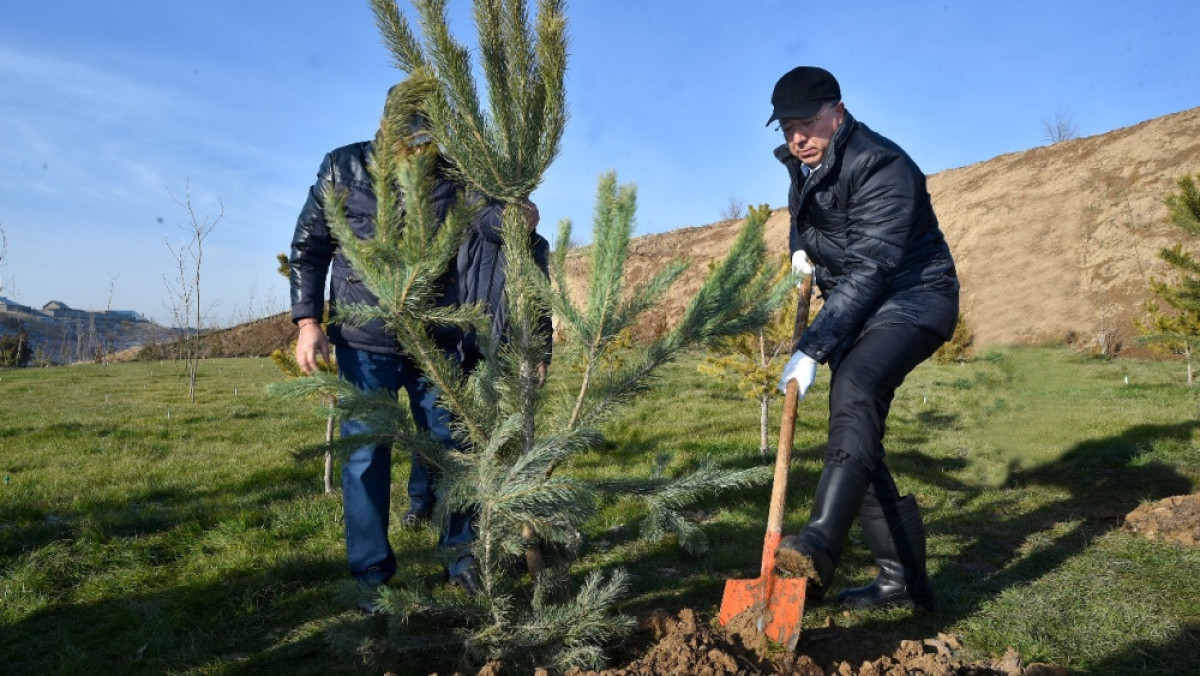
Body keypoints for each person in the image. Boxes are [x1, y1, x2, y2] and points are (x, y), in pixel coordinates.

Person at [288, 86, 551, 599]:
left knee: (456, 451)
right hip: (365, 341)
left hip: (440, 339)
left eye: (427, 140)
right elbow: (310, 246)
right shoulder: (342, 168)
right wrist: (307, 322)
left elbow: (486, 218)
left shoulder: (452, 174)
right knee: (366, 458)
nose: (417, 150)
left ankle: (460, 559)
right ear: (385, 126)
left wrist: (516, 217)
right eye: (408, 137)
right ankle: (372, 577)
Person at [767, 66, 959, 611]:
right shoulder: (802, 163)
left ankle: (819, 545)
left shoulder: (882, 164)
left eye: (807, 123)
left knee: (853, 389)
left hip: (915, 298)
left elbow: (872, 267)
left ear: (839, 111)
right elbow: (806, 223)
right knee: (860, 437)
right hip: (860, 308)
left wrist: (811, 346)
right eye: (786, 127)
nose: (797, 137)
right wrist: (799, 250)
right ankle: (903, 581)